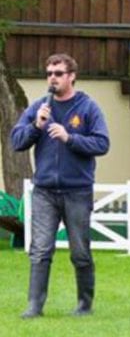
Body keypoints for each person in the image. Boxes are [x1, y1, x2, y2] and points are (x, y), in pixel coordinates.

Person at [11, 53, 110, 319]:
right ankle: (34, 306)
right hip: (44, 192)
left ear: (72, 76)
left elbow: (102, 143)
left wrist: (70, 138)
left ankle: (84, 304)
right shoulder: (39, 107)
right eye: (49, 73)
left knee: (80, 250)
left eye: (58, 73)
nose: (52, 78)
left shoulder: (88, 108)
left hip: (77, 191)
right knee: (40, 249)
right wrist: (36, 125)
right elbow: (16, 141)